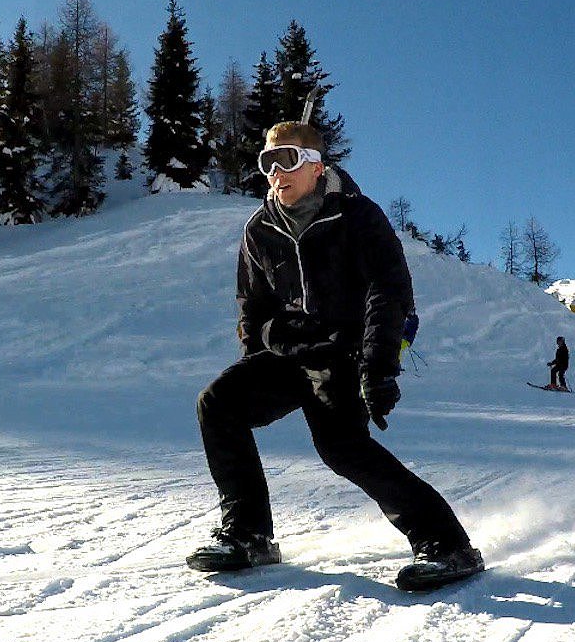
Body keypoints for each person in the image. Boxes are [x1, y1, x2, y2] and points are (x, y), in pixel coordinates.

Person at [188, 120, 483, 592]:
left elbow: (388, 294)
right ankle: (249, 535)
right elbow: (252, 306)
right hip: (289, 353)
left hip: (342, 352)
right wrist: (258, 352)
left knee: (342, 449)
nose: (274, 173)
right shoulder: (260, 229)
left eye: (284, 161)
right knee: (218, 402)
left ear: (315, 166)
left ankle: (447, 545)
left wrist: (378, 367)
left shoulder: (358, 216)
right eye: (266, 163)